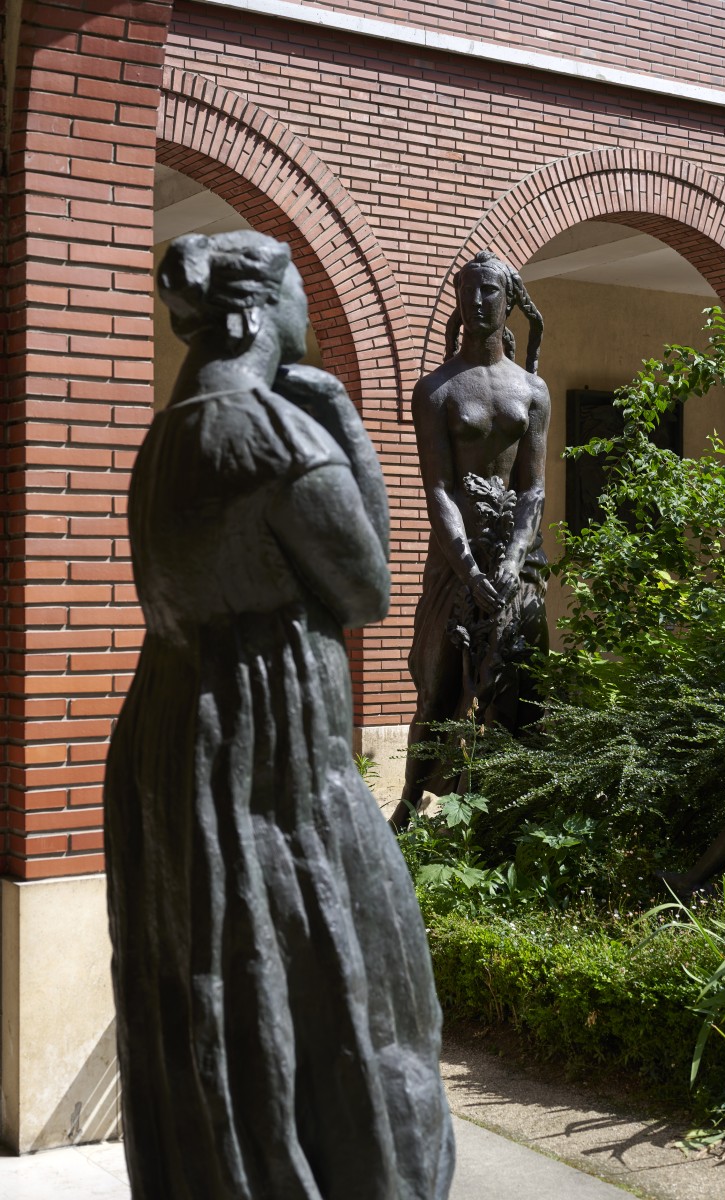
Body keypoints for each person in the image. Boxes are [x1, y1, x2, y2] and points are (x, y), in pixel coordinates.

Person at [104, 231, 454, 1199]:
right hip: (279, 757)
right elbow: (370, 586)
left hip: (176, 748)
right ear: (257, 314)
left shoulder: (160, 446)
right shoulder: (278, 438)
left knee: (209, 1002)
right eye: (299, 296)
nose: (308, 316)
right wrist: (340, 416)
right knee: (367, 996)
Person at [390, 250, 550, 830]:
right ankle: (408, 808)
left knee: (520, 689)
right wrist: (467, 566)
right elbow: (438, 488)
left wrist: (510, 561)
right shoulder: (436, 390)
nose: (476, 301)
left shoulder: (532, 391)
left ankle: (514, 816)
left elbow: (532, 489)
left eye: (488, 291)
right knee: (436, 686)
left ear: (509, 299)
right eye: (468, 291)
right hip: (454, 560)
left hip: (517, 559)